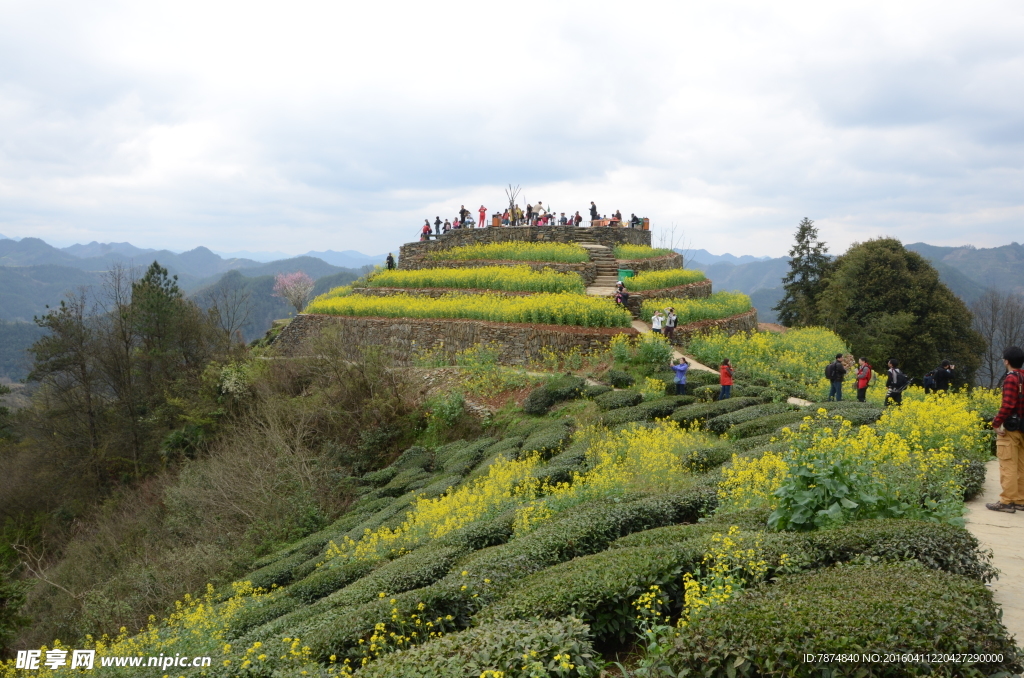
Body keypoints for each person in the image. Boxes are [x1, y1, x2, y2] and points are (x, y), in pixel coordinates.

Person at [987, 346, 1024, 513]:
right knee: (1021, 466)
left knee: (1008, 465)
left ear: (1006, 361)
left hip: (1011, 428)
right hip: (1023, 428)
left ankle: (1007, 501)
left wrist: (996, 423)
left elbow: (1008, 405)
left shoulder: (1011, 378)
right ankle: (1020, 500)